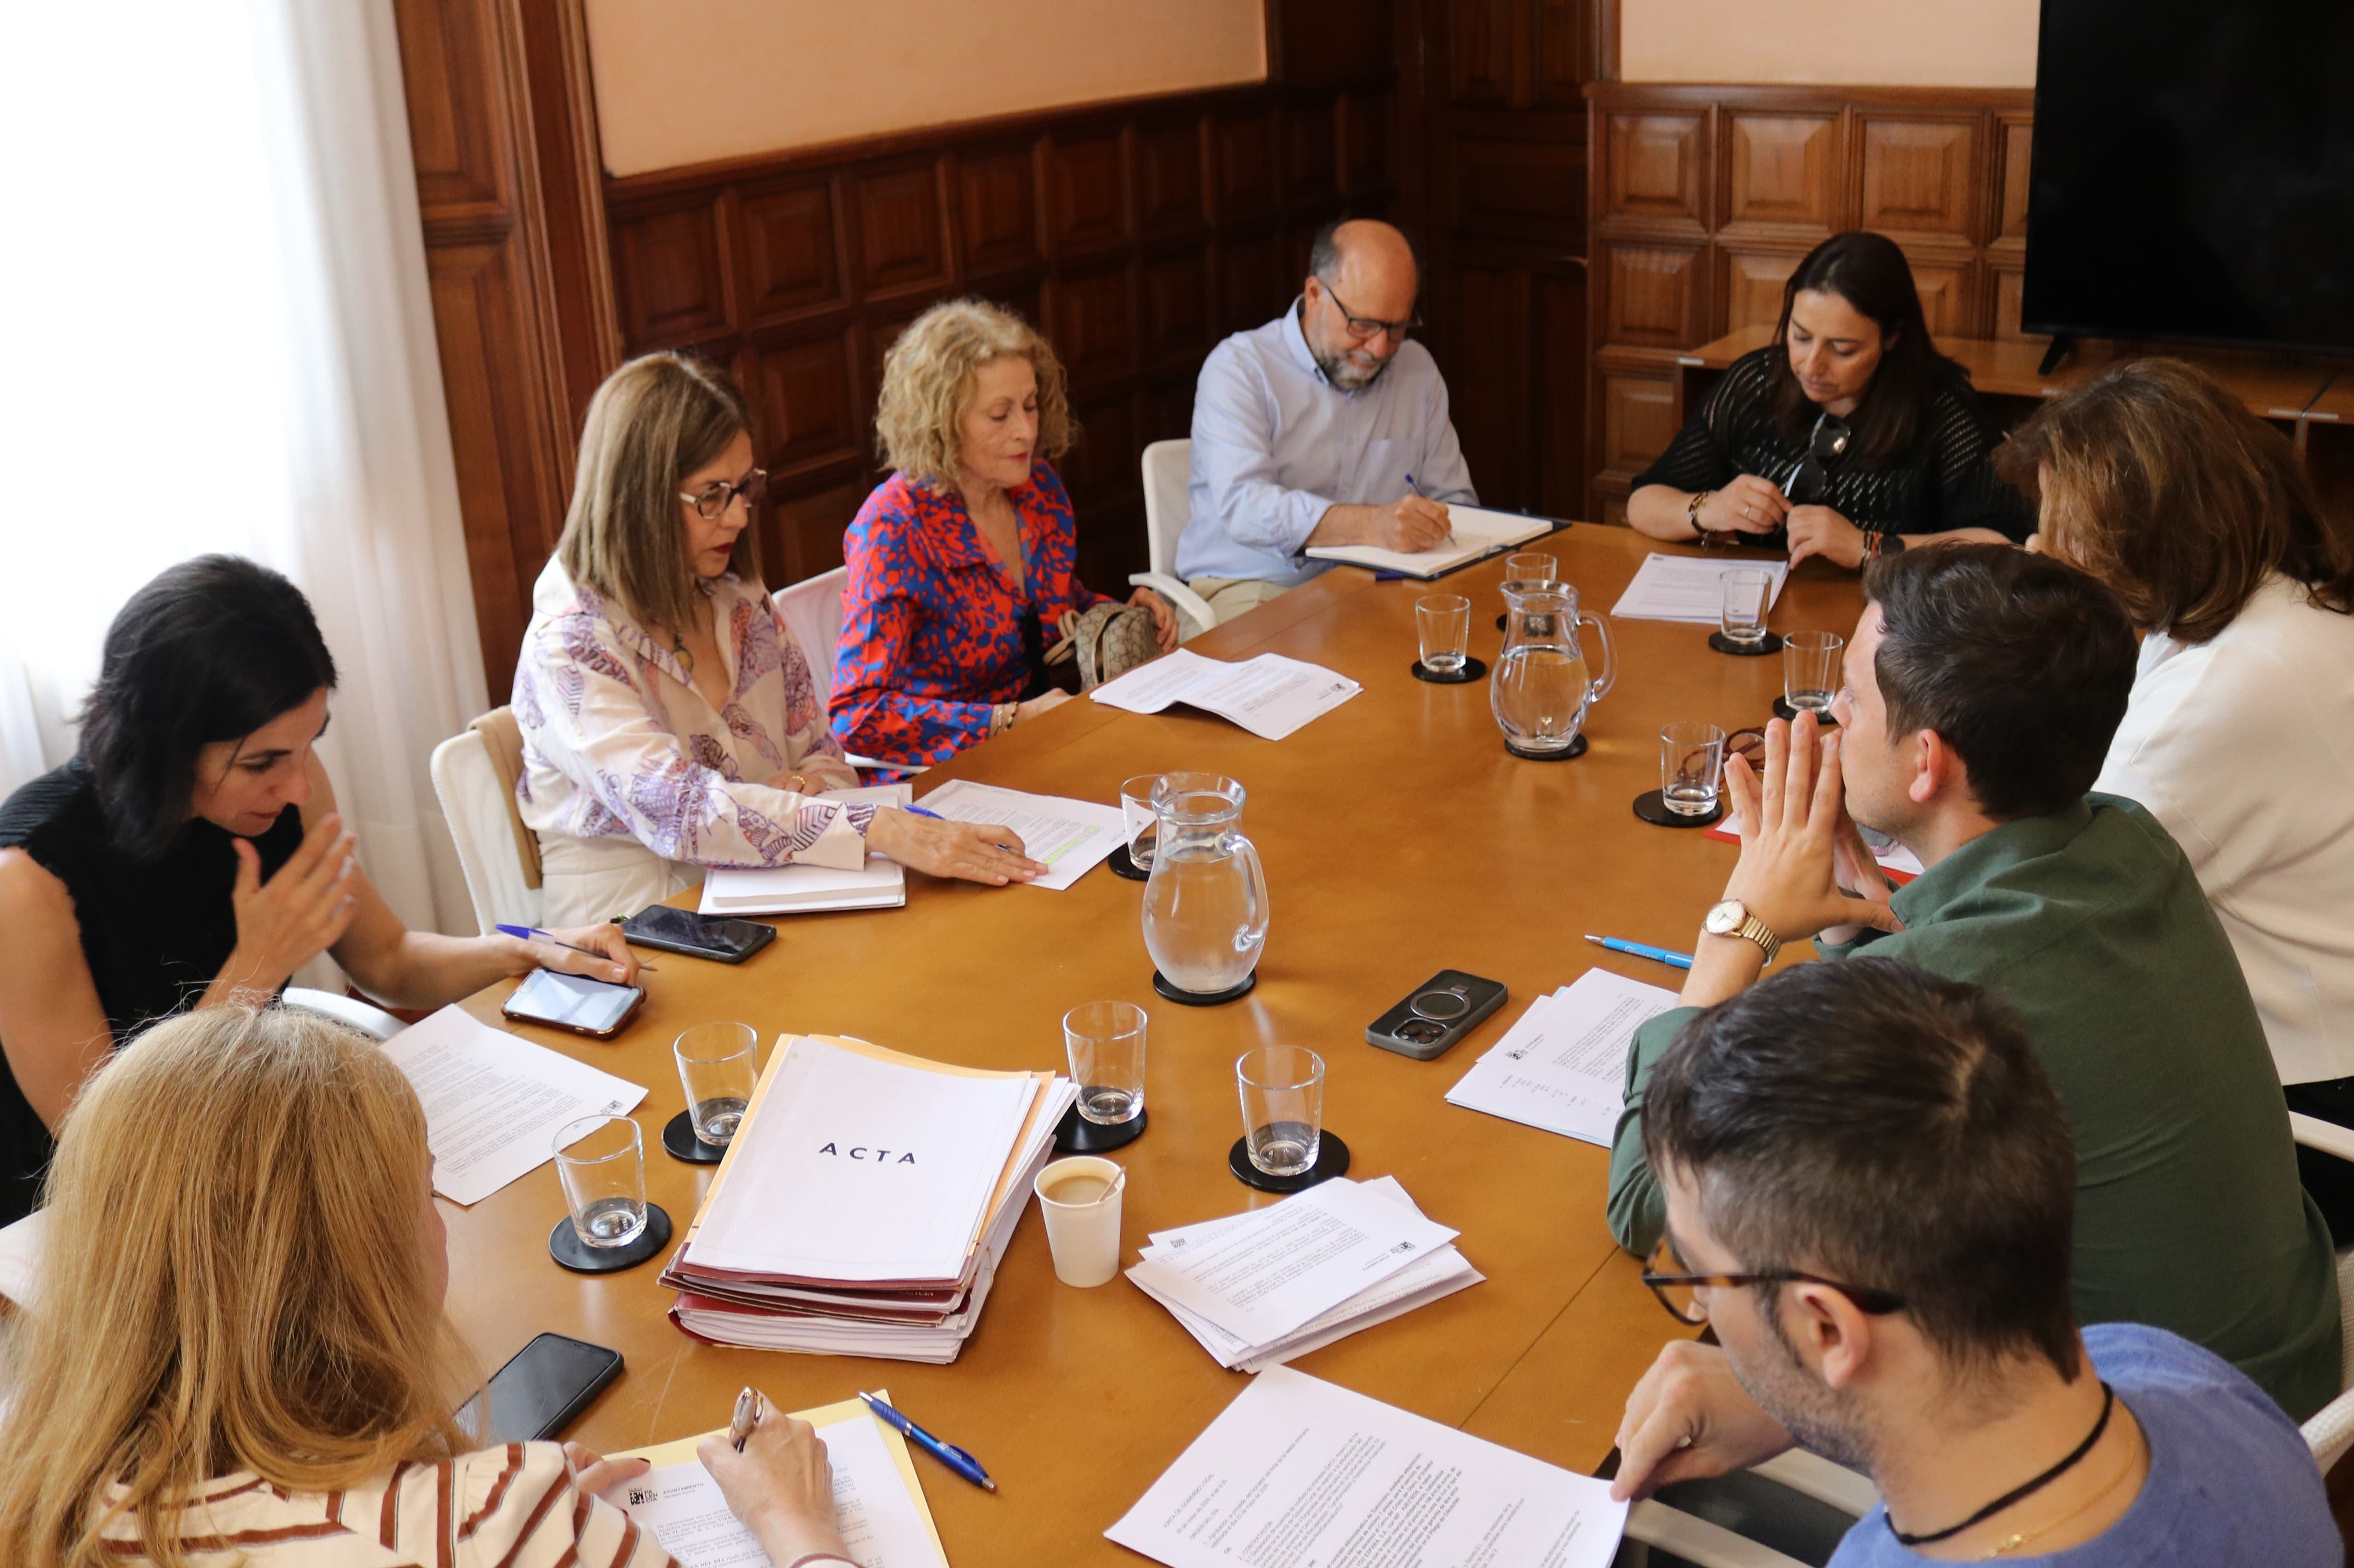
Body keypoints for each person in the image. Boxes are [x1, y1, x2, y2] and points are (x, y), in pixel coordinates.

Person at [1604, 545, 2340, 1421]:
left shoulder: (1936, 996)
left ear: (1925, 760)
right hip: (2289, 1358)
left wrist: (1737, 921)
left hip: (2146, 1452)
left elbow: (1651, 1198)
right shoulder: (2124, 835)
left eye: (1850, 696)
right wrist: (1854, 917)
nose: (1830, 715)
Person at [0, 1003, 858, 1568]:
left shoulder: (38, 1491)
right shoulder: (486, 1530)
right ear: (365, 1261)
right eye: (423, 1189)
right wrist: (797, 1526)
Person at [1609, 958, 2338, 1566]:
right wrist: (1796, 1406)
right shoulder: (2178, 1373)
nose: (1701, 1307)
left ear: (1827, 1328)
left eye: (1697, 1275)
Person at [0, 557, 640, 1229]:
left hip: (240, 1136)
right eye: (263, 762)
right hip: (101, 1218)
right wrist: (255, 967)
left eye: (307, 745)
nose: (300, 787)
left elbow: (388, 957)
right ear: (162, 743)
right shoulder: (28, 883)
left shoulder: (278, 788)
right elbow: (111, 1160)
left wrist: (527, 946)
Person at [1999, 358, 2354, 1233]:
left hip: (2306, 1122)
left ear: (2150, 527)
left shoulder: (2233, 685)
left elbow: (2042, 914)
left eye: (2062, 528)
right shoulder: (2279, 609)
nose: (2037, 551)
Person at [517, 351, 1046, 923]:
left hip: (775, 889)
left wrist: (803, 790)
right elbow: (679, 812)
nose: (740, 516)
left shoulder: (732, 591)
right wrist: (875, 825)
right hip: (641, 928)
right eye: (712, 495)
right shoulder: (569, 644)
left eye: (744, 487)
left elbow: (823, 750)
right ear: (639, 497)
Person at [828, 300, 1177, 774]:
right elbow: (857, 715)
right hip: (947, 776)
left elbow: (1049, 605)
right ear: (942, 423)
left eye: (1032, 406)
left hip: (1047, 745)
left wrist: (1112, 611)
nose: (1027, 431)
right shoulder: (893, 529)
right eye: (999, 415)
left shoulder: (1039, 491)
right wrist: (1008, 721)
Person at [1627, 231, 2032, 568]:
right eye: (1800, 336)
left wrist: (1867, 546)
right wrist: (1706, 509)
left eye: (1842, 349)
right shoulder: (1756, 383)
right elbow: (1643, 502)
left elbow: (2005, 545)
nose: (1811, 365)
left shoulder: (1940, 410)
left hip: (1889, 627)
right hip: (1767, 611)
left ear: (1892, 338)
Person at [1175, 218, 1477, 623]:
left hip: (1379, 584)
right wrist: (1372, 525)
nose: (1379, 347)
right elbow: (1245, 506)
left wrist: (1430, 527)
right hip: (1251, 586)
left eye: (1397, 327)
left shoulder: (1415, 370)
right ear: (1314, 294)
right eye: (1363, 325)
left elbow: (1455, 501)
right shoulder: (1240, 369)